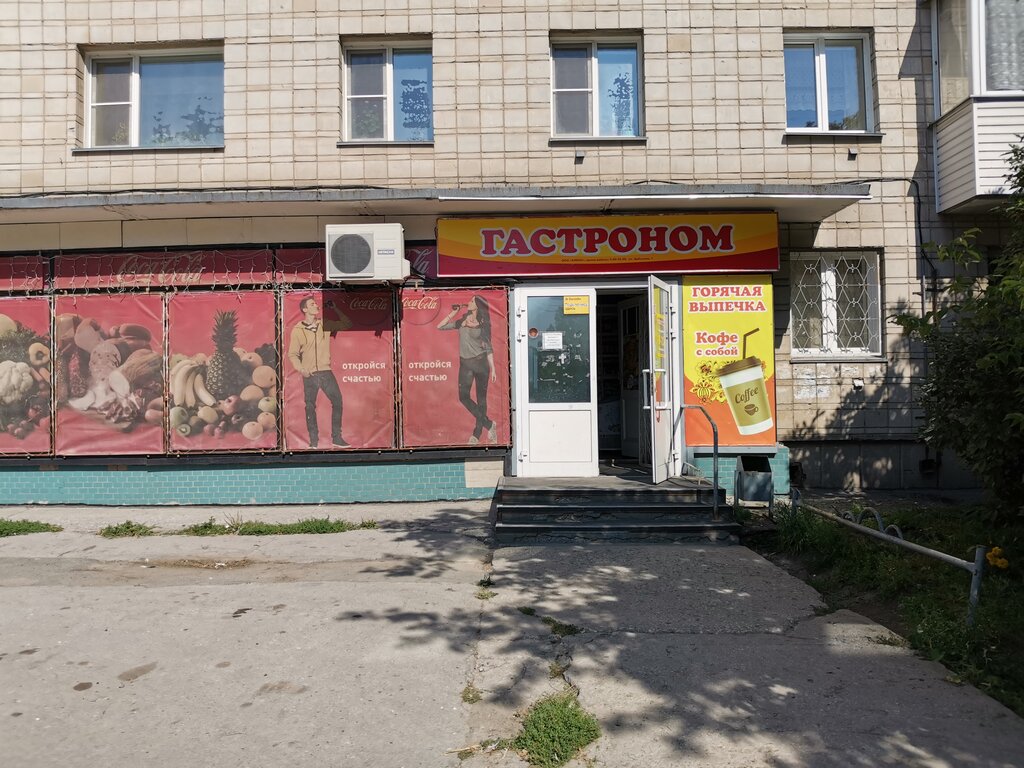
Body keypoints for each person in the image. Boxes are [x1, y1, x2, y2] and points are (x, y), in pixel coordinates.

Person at [288, 295, 351, 448]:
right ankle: (313, 441)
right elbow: (293, 354)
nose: (316, 306)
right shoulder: (297, 330)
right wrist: (301, 369)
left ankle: (337, 438)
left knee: (337, 401)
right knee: (310, 407)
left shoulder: (324, 324)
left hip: (325, 372)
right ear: (305, 309)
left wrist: (335, 309)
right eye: (312, 304)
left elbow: (347, 324)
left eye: (316, 304)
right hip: (309, 374)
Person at [438, 295, 497, 444]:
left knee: (481, 400)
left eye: (472, 301)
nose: (469, 302)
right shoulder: (461, 321)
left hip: (481, 363)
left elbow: (488, 348)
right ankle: (489, 424)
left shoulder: (483, 324)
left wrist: (493, 369)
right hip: (465, 364)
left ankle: (476, 434)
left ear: (477, 305)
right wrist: (454, 313)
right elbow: (440, 326)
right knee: (463, 397)